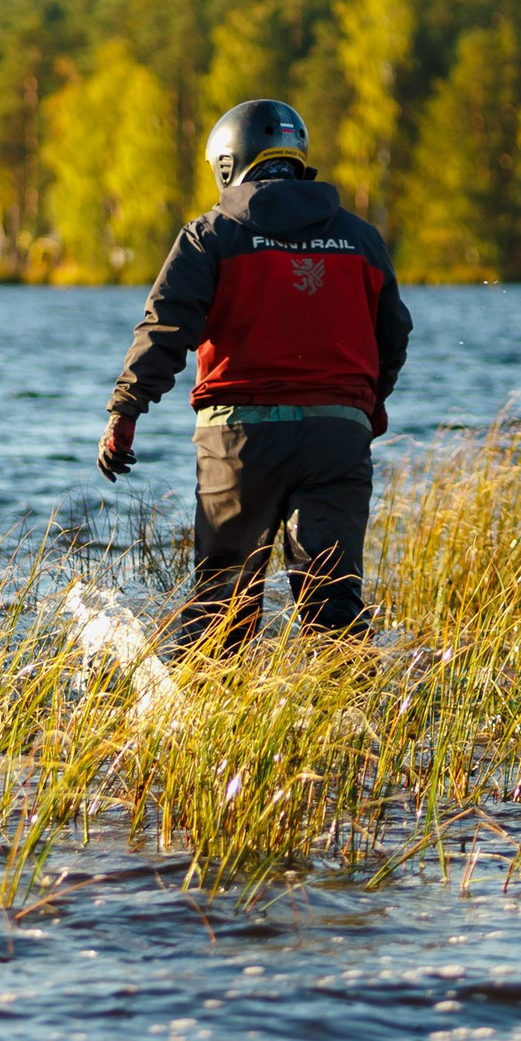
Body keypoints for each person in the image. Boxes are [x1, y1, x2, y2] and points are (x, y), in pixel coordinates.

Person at [95, 99, 412, 650]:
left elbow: (164, 328)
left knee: (223, 605)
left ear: (227, 161)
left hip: (239, 439)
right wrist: (365, 405)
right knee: (333, 604)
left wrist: (125, 411)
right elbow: (394, 335)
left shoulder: (211, 233)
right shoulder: (359, 238)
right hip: (338, 436)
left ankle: (206, 725)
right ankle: (355, 728)